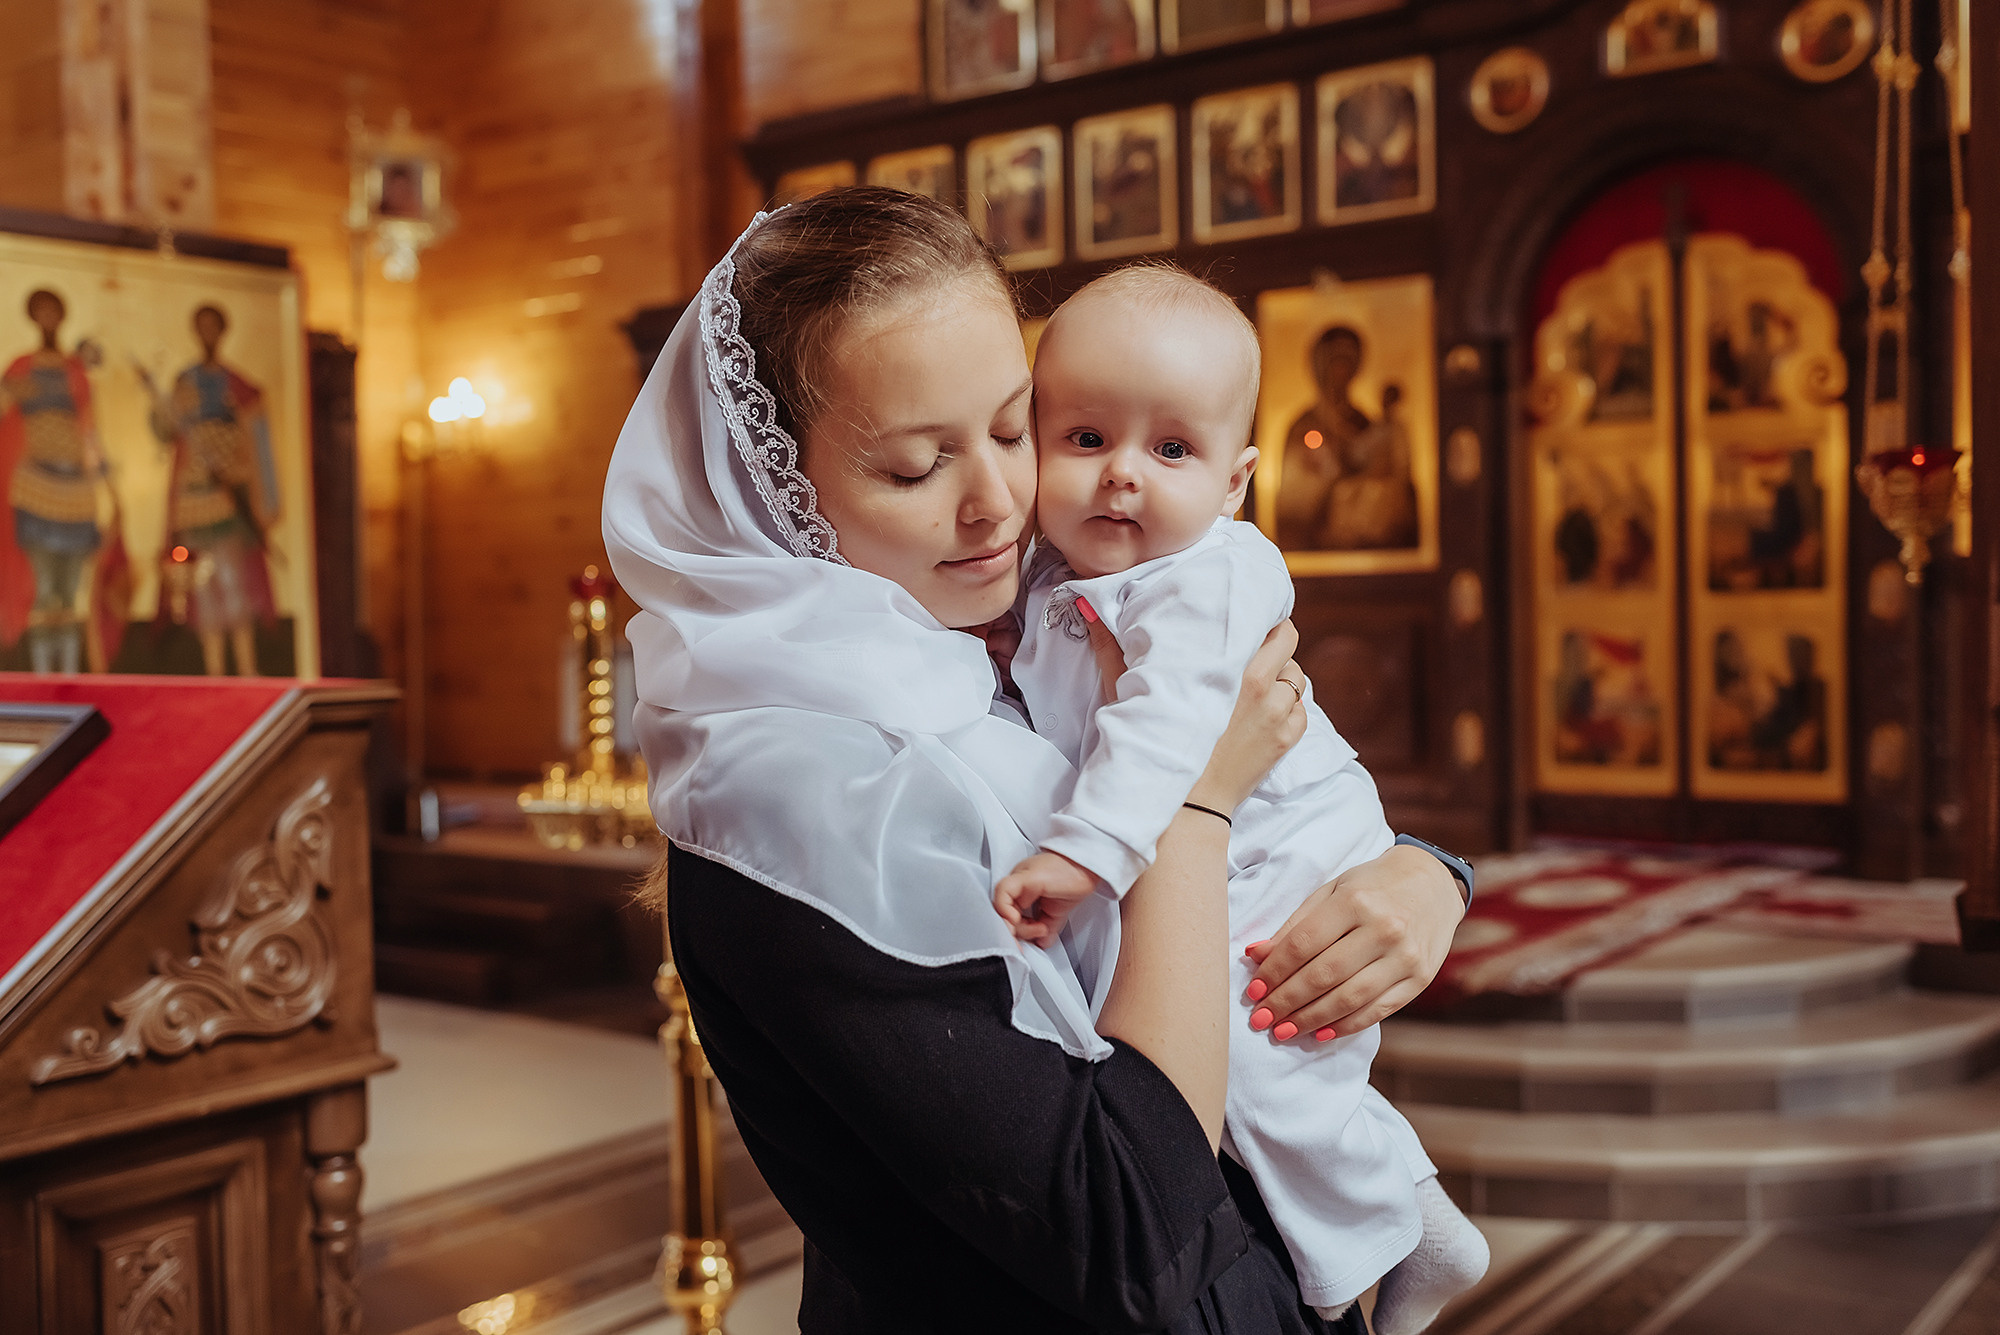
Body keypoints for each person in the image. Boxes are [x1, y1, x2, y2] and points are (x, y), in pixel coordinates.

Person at [603, 188, 1468, 1332]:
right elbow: (1132, 1229)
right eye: (916, 468)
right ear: (774, 496)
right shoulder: (799, 798)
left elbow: (1289, 779)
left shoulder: (1004, 633)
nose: (999, 502)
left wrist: (1421, 873)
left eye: (1013, 428)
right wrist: (1193, 805)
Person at [991, 265, 1485, 1332]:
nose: (1121, 475)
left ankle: (1392, 1232)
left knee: (1255, 1050)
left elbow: (1167, 725)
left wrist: (1085, 852)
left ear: (1234, 482)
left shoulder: (1206, 578)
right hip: (1225, 836)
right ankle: (1397, 1211)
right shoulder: (1053, 570)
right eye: (1083, 439)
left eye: (1170, 449)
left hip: (1285, 846)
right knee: (1256, 1057)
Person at [144, 304, 280, 677]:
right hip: (194, 497)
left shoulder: (237, 385)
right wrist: (160, 407)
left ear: (222, 332)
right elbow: (167, 432)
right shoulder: (184, 382)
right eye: (200, 327)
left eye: (212, 327)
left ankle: (248, 670)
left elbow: (257, 438)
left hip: (227, 495)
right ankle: (215, 671)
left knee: (233, 580)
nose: (207, 334)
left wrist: (253, 488)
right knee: (202, 588)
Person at [0, 290, 104, 673]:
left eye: (54, 312)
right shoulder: (20, 368)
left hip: (75, 489)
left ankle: (74, 677)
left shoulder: (75, 369)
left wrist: (102, 472)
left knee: (73, 591)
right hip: (35, 486)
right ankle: (44, 677)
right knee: (44, 589)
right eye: (41, 312)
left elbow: (90, 426)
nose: (48, 319)